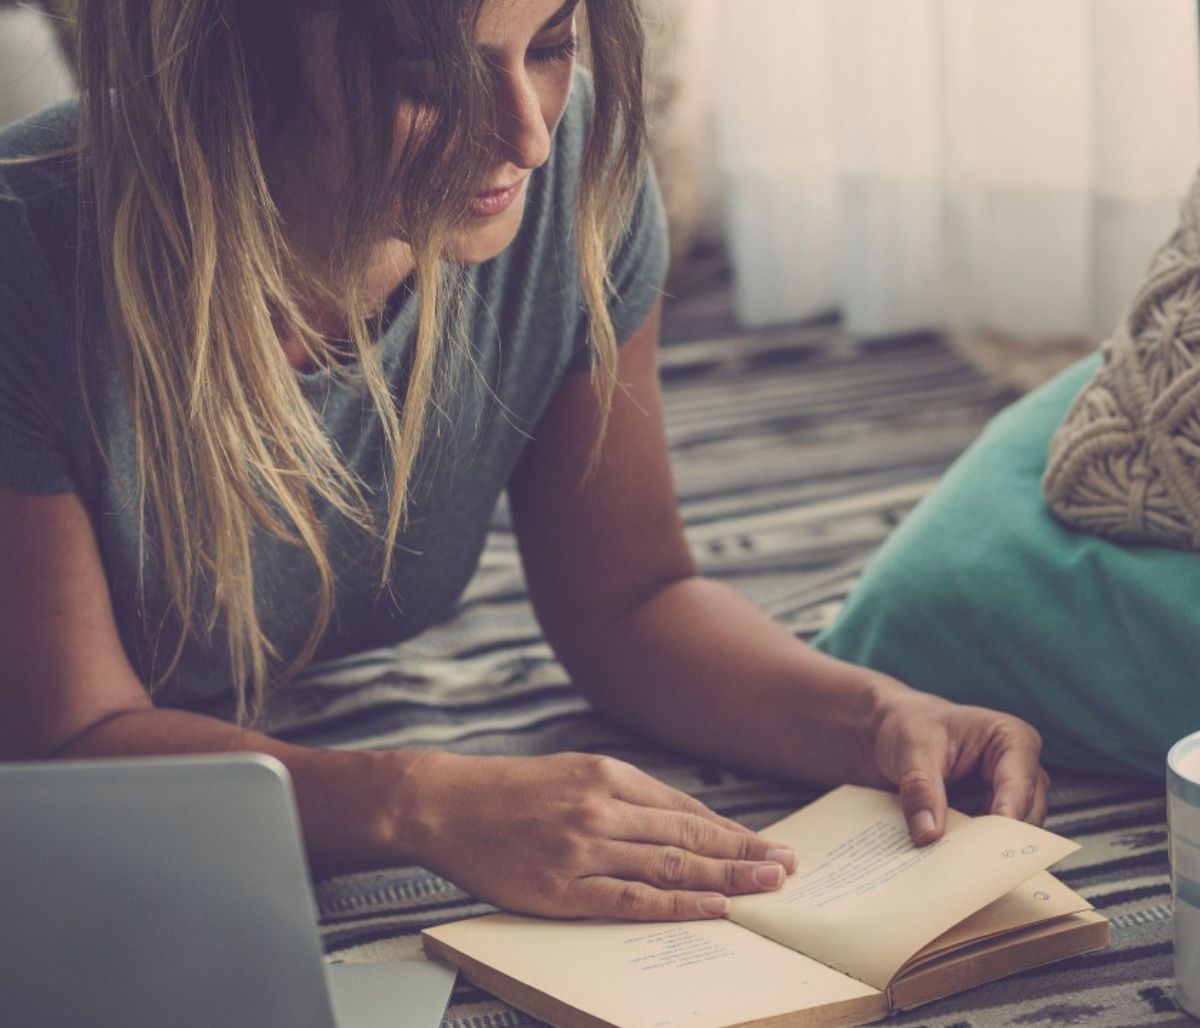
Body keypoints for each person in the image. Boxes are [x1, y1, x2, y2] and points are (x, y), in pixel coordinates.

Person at [0, 0, 1049, 923]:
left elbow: (628, 600)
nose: (528, 135)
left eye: (550, 45)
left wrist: (875, 717)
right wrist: (422, 800)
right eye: (430, 80)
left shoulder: (574, 177)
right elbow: (67, 747)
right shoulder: (30, 261)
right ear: (235, 61)